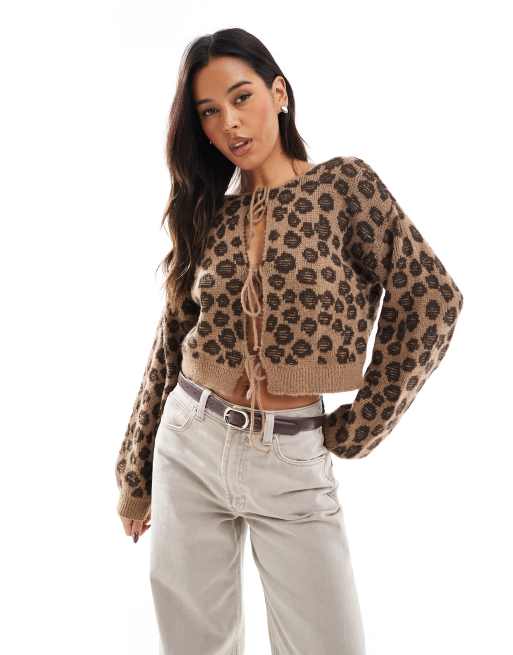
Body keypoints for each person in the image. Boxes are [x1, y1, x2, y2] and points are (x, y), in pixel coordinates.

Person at [114, 27, 464, 655]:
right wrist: (135, 473)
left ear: (279, 93)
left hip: (293, 456)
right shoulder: (208, 212)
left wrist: (365, 422)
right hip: (189, 444)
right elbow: (170, 343)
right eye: (209, 112)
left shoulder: (344, 188)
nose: (229, 122)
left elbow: (432, 299)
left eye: (242, 97)